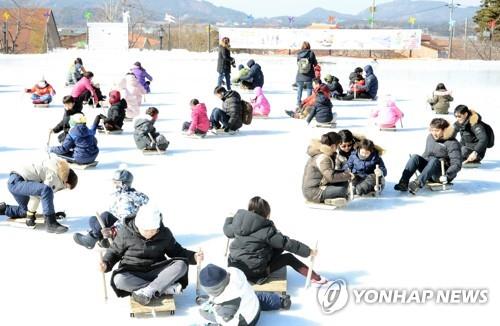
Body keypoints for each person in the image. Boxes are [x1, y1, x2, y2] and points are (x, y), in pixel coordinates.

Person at [99, 204, 203, 305]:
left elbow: (177, 251)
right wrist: (106, 263)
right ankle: (163, 288)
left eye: (153, 230)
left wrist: (193, 257)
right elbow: (114, 252)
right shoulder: (125, 233)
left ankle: (149, 290)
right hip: (133, 272)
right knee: (119, 280)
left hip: (157, 271)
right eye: (146, 230)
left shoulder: (164, 233)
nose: (150, 233)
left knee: (181, 265)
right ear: (138, 225)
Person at [223, 196, 328, 286]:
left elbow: (227, 231)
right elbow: (287, 243)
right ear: (266, 214)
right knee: (288, 257)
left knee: (273, 245)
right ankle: (316, 278)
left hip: (235, 267)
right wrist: (308, 251)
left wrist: (229, 218)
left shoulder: (238, 222)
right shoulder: (266, 229)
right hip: (254, 273)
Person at [73, 166, 149, 249]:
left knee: (106, 216)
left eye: (115, 182)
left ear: (122, 184)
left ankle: (91, 239)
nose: (113, 184)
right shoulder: (124, 195)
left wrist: (113, 230)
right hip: (119, 226)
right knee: (93, 220)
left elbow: (126, 221)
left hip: (128, 231)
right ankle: (103, 240)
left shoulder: (126, 199)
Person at [0, 158, 77, 233]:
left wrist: (30, 213)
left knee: (23, 211)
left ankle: (2, 209)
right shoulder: (54, 177)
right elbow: (42, 192)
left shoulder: (54, 169)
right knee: (46, 190)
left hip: (15, 182)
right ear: (66, 179)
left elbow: (37, 192)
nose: (63, 188)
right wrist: (31, 215)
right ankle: (51, 223)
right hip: (18, 181)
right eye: (66, 186)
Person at [198, 264, 290, 326]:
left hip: (247, 322)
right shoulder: (235, 275)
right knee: (256, 295)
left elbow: (229, 323)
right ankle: (280, 301)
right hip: (255, 305)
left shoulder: (226, 307)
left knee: (204, 313)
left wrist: (215, 313)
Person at [394, 118, 462, 194]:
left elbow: (457, 164)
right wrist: (419, 164)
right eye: (432, 130)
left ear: (444, 130)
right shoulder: (430, 137)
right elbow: (426, 154)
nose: (434, 133)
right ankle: (403, 183)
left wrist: (447, 175)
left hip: (441, 175)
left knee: (434, 160)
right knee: (415, 157)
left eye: (437, 130)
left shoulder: (452, 143)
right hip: (429, 172)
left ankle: (417, 183)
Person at [302, 132, 353, 204]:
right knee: (342, 189)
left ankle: (331, 197)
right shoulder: (323, 158)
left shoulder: (325, 153)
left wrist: (344, 173)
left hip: (320, 185)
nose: (338, 148)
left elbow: (329, 172)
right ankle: (328, 200)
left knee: (344, 181)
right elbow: (331, 177)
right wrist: (348, 175)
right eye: (338, 145)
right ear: (333, 146)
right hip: (313, 192)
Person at [295, 41, 318, 106]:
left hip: (300, 74)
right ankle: (308, 102)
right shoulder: (311, 53)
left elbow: (297, 63)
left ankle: (298, 102)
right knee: (309, 88)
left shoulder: (299, 53)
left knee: (299, 88)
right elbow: (315, 63)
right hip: (309, 75)